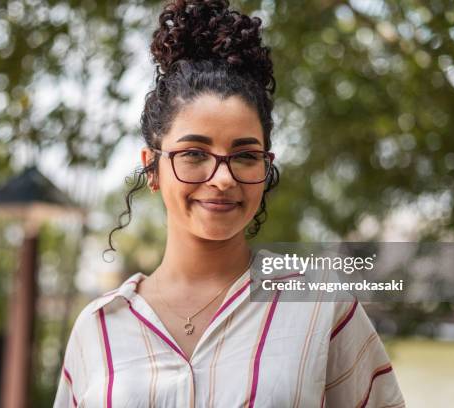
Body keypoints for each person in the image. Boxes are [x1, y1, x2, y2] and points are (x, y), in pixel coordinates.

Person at [53, 0, 405, 406]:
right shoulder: (98, 329)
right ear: (151, 168)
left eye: (244, 156)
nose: (222, 179)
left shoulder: (320, 306)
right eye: (194, 154)